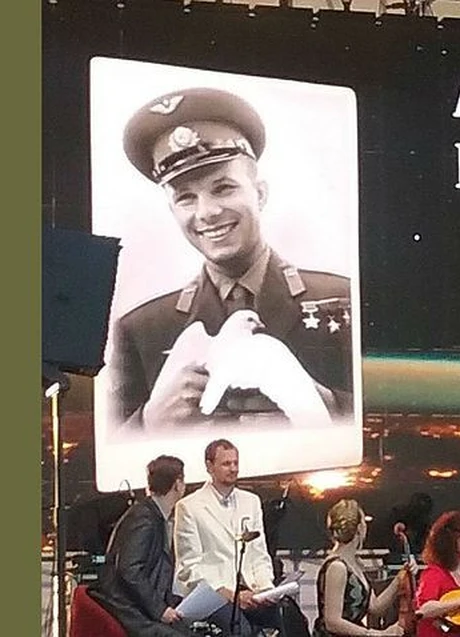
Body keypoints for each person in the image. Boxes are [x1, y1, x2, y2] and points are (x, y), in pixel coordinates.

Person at [109, 86, 353, 431]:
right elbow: (107, 443)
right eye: (185, 198)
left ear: (260, 194)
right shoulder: (140, 330)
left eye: (223, 188)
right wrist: (149, 421)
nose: (206, 212)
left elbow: (391, 416)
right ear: (172, 210)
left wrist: (326, 404)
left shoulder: (344, 299)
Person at [174, 439, 282, 636]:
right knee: (241, 630)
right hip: (214, 594)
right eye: (226, 464)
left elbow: (259, 554)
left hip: (250, 590)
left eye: (235, 463)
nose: (233, 469)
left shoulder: (251, 501)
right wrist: (231, 595)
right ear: (209, 466)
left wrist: (265, 588)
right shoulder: (189, 507)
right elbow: (189, 567)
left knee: (284, 618)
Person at [88, 455, 196, 637]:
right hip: (130, 610)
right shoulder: (144, 519)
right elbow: (130, 570)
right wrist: (160, 609)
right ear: (178, 484)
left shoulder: (152, 515)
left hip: (141, 607)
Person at [313, 499, 411, 637]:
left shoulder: (355, 563)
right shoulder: (337, 567)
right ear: (359, 528)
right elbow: (332, 622)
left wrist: (400, 579)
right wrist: (375, 634)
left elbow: (375, 607)